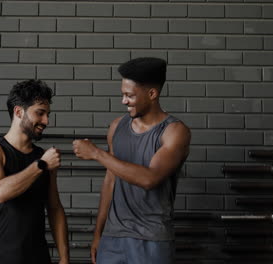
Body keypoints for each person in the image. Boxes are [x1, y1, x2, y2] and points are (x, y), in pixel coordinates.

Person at [73, 57, 191, 264]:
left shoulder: (174, 132)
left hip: (152, 239)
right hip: (113, 237)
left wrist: (97, 154)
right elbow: (110, 180)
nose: (124, 101)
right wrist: (98, 233)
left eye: (130, 95)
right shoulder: (117, 127)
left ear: (152, 94)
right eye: (123, 95)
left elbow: (150, 179)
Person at [0, 80, 69, 264]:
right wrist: (40, 165)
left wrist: (64, 258)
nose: (46, 121)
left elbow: (54, 208)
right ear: (18, 112)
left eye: (48, 115)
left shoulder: (42, 156)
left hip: (38, 257)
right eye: (40, 113)